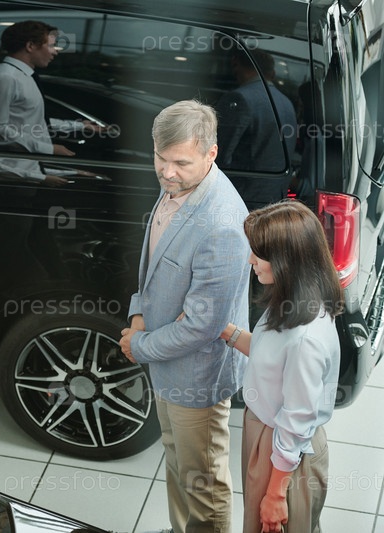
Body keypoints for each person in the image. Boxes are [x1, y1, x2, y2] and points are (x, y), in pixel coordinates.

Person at [118, 100, 251, 533]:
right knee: (177, 463)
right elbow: (156, 267)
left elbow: (203, 326)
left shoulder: (223, 224)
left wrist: (139, 345)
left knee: (203, 483)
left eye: (180, 163)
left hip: (197, 375)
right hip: (168, 359)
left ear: (211, 153)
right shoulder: (179, 183)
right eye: (161, 158)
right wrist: (140, 311)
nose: (167, 172)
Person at [219, 200, 342, 533]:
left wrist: (275, 494)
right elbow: (270, 358)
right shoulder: (291, 302)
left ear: (287, 261)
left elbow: (297, 418)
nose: (250, 260)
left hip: (285, 453)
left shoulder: (307, 339)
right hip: (268, 438)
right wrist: (226, 332)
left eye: (259, 255)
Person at [0, 20, 102, 186]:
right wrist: (50, 149)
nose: (55, 52)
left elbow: (33, 121)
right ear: (30, 46)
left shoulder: (25, 77)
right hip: (7, 180)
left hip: (24, 173)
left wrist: (80, 126)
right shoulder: (4, 77)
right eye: (51, 45)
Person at [215, 48, 298, 209]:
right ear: (271, 72)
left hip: (240, 199)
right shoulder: (286, 103)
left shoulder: (239, 98)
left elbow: (219, 154)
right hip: (275, 198)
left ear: (236, 65)